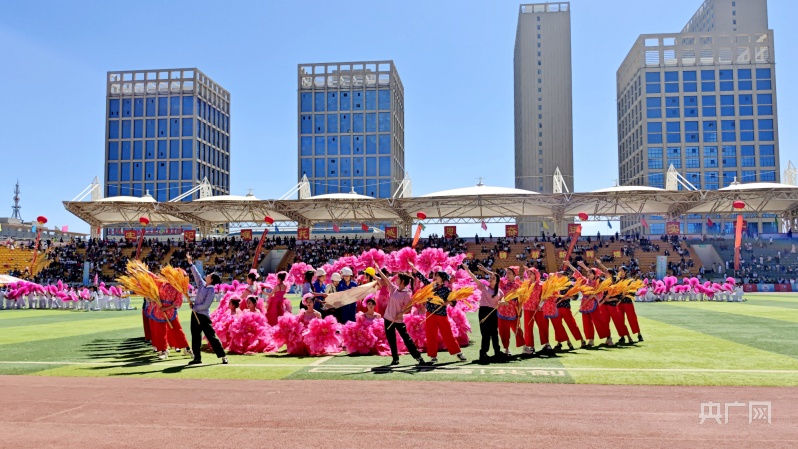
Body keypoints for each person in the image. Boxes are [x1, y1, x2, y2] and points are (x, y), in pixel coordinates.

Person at [410, 264, 467, 364]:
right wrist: (415, 270)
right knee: (431, 335)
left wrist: (446, 302)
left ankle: (458, 352)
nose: (435, 277)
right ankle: (433, 356)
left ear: (442, 278)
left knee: (447, 334)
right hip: (430, 313)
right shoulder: (431, 287)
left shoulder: (446, 290)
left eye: (437, 276)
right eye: (435, 276)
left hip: (441, 314)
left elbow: (454, 301)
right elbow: (423, 279)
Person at [374, 267, 427, 366]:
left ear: (402, 281)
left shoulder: (407, 294)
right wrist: (378, 269)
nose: (396, 280)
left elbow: (409, 308)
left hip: (398, 320)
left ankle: (418, 357)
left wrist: (401, 313)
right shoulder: (394, 288)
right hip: (388, 318)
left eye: (398, 278)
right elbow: (386, 279)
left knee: (407, 339)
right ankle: (395, 359)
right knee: (391, 340)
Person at [187, 253, 229, 365]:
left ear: (212, 280)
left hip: (203, 316)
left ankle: (223, 356)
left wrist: (195, 307)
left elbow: (206, 305)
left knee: (211, 336)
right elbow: (196, 274)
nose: (207, 275)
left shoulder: (211, 291)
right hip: (195, 315)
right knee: (195, 337)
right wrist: (190, 263)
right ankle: (197, 358)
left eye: (209, 275)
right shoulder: (202, 285)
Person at [463, 264, 502, 363]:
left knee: (494, 333)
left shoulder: (500, 292)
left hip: (493, 313)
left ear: (497, 281)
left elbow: (502, 302)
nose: (490, 279)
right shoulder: (484, 287)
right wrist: (468, 270)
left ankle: (497, 352)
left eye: (493, 278)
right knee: (486, 334)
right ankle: (483, 354)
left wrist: (502, 303)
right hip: (484, 312)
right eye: (490, 278)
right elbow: (475, 278)